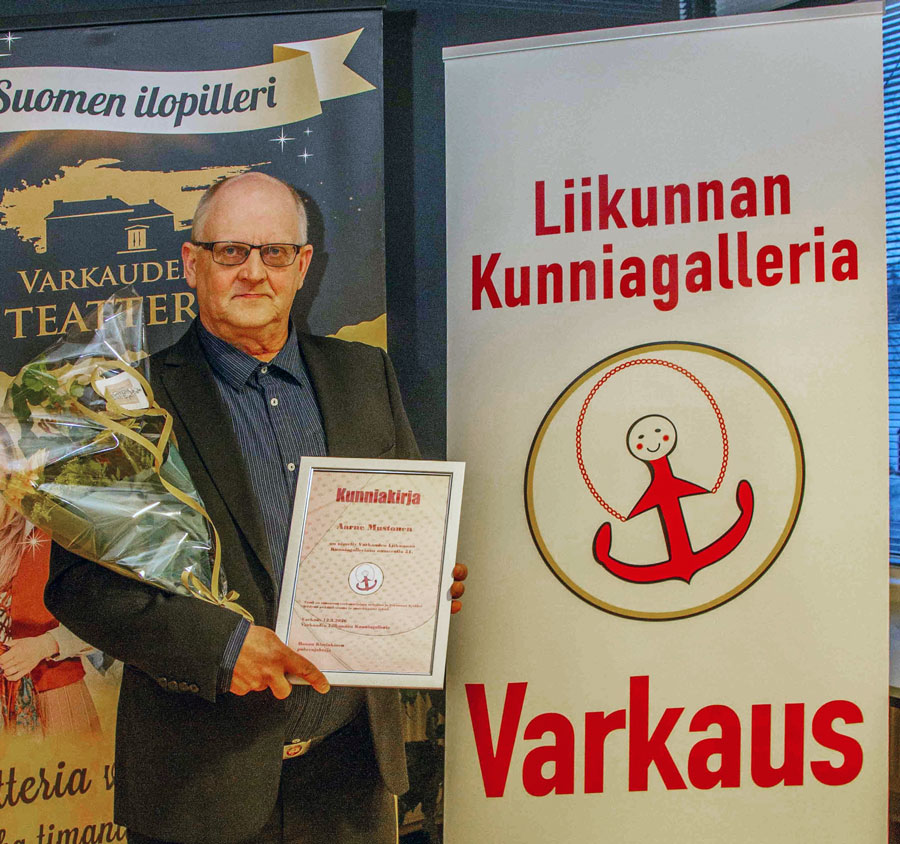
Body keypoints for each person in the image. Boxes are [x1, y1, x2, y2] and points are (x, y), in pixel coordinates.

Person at [46, 172, 465, 844]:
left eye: (274, 253)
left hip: (349, 778)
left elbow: (406, 527)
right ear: (192, 263)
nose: (253, 272)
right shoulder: (129, 403)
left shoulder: (363, 376)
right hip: (199, 789)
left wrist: (424, 578)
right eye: (230, 252)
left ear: (302, 265)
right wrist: (219, 648)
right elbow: (79, 586)